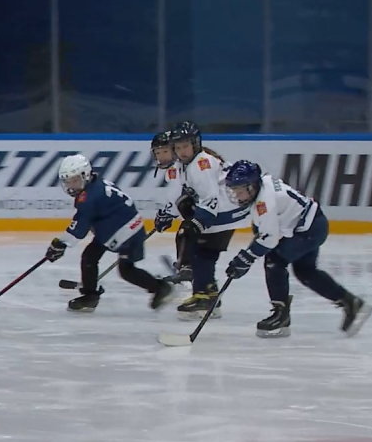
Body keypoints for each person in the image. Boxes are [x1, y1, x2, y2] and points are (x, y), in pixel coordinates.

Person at [221, 160, 372, 338]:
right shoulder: (263, 187)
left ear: (252, 186)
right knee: (305, 272)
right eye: (234, 190)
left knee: (274, 261)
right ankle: (351, 303)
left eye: (239, 190)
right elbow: (267, 229)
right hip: (310, 225)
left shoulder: (264, 202)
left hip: (308, 230)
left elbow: (269, 240)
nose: (237, 195)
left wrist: (245, 259)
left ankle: (281, 315)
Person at [45, 154, 174, 312]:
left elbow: (80, 227)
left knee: (126, 270)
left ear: (86, 175)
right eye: (68, 182)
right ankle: (90, 296)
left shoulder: (90, 197)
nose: (71, 186)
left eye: (75, 180)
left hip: (128, 234)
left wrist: (60, 244)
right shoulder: (95, 186)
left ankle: (161, 287)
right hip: (113, 230)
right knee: (89, 256)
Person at [151, 121, 250, 319]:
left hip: (224, 212)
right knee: (203, 252)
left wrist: (197, 222)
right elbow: (180, 195)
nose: (182, 151)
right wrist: (168, 214)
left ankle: (203, 295)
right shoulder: (186, 164)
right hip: (226, 211)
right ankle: (208, 294)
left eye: (185, 146)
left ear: (195, 144)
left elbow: (210, 199)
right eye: (178, 147)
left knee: (199, 250)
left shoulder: (201, 165)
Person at [149, 129, 192, 284]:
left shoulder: (178, 167)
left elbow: (176, 197)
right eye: (158, 153)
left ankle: (188, 268)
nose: (161, 157)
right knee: (186, 232)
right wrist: (167, 213)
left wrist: (166, 214)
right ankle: (188, 267)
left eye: (165, 151)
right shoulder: (180, 166)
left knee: (186, 232)